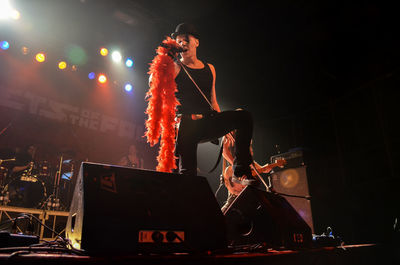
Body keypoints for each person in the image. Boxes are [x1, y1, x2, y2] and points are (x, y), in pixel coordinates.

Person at [170, 23, 256, 184]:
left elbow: (213, 101)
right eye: (179, 41)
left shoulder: (210, 69)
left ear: (196, 42)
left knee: (244, 117)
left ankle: (240, 171)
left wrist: (226, 128)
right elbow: (154, 82)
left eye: (186, 39)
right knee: (188, 174)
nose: (183, 44)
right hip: (186, 126)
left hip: (206, 122)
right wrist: (165, 58)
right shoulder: (175, 67)